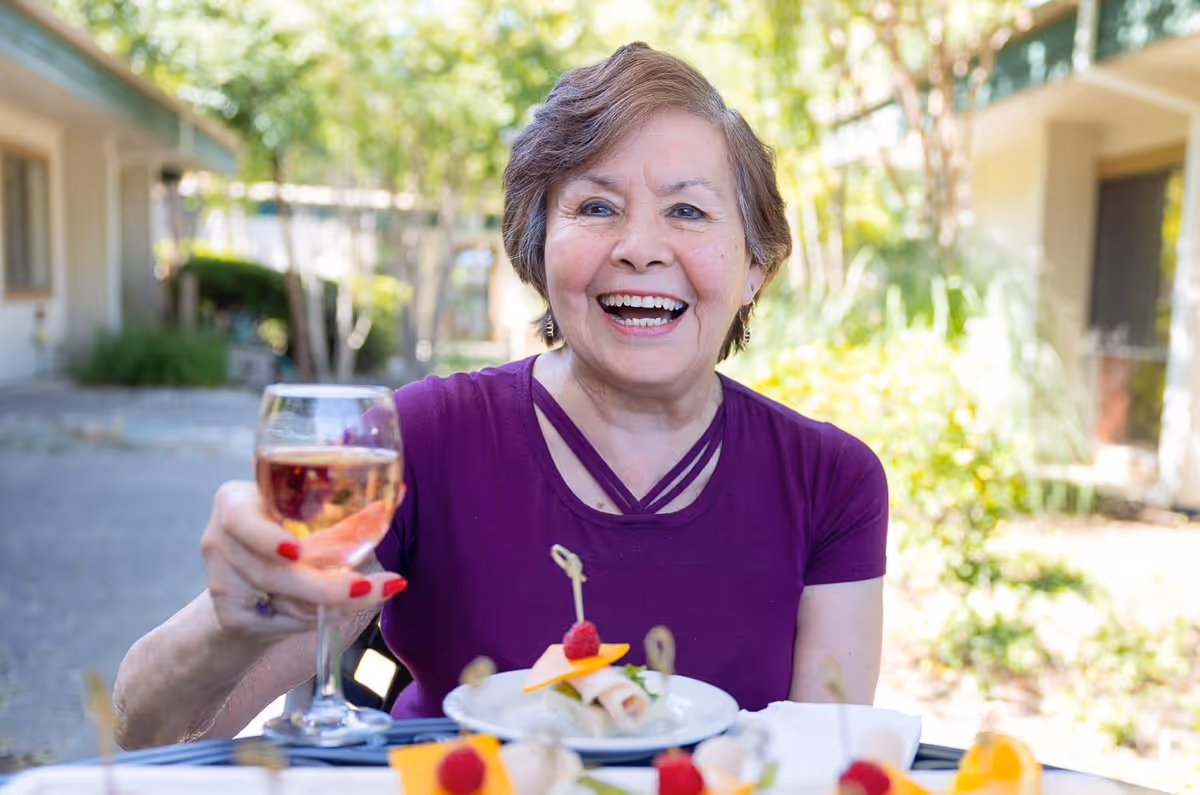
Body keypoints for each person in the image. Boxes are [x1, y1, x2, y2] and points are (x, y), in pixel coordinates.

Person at [113, 41, 888, 750]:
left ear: (756, 265)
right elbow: (151, 731)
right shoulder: (413, 438)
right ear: (536, 246)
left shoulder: (831, 480)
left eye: (687, 210)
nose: (641, 247)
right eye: (595, 206)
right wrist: (230, 620)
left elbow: (822, 762)